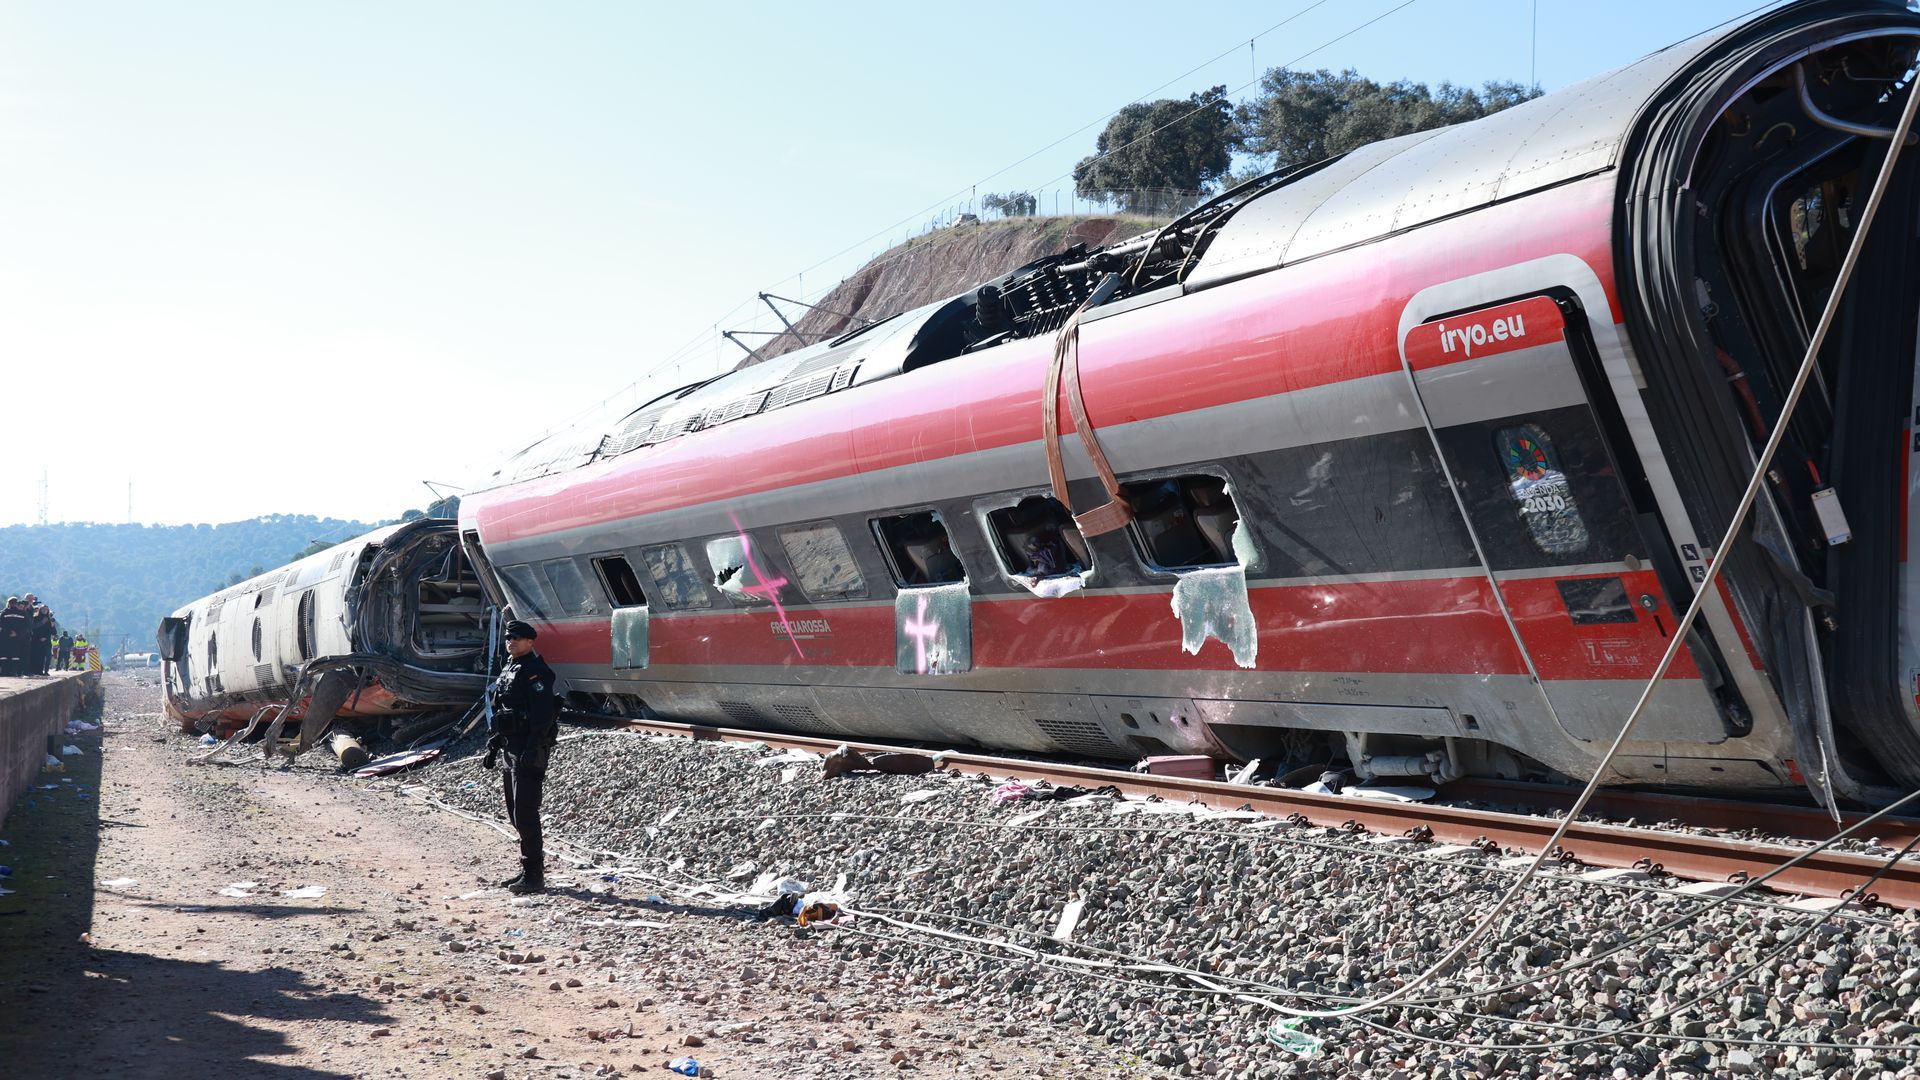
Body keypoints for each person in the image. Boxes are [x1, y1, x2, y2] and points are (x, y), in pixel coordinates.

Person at [482, 620, 558, 895]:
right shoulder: (510, 667)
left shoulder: (536, 672)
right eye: (508, 638)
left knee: (525, 813)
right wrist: (493, 745)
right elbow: (502, 710)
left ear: (530, 642)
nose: (511, 641)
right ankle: (527, 869)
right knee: (515, 812)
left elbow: (543, 716)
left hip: (528, 749)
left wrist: (532, 748)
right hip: (510, 748)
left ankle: (534, 875)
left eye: (517, 637)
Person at [0, 598, 27, 677]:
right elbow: (25, 626)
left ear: (9, 603)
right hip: (16, 637)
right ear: (16, 603)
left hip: (5, 637)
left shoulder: (4, 612)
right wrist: (17, 633)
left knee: (4, 655)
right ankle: (14, 671)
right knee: (15, 654)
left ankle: (4, 671)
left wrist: (8, 632)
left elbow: (1, 624)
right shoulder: (22, 613)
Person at [29, 605, 55, 676]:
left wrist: (52, 625)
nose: (44, 610)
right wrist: (42, 622)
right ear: (40, 610)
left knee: (43, 657)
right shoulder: (35, 618)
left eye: (46, 609)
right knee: (36, 655)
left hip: (46, 641)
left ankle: (42, 671)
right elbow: (33, 628)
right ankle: (34, 670)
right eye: (43, 609)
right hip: (36, 640)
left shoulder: (49, 620)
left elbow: (53, 632)